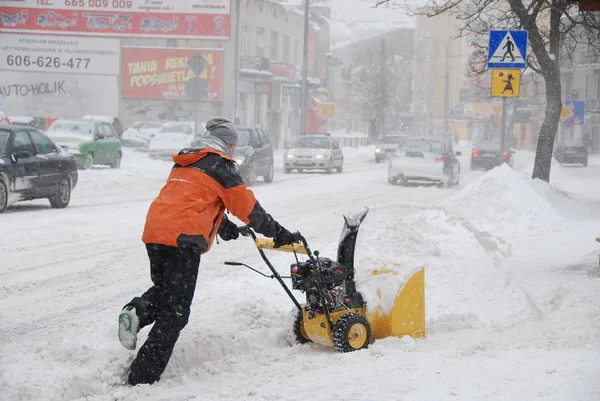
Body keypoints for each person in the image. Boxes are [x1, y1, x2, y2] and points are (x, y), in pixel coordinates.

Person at [117, 117, 297, 386]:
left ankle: (137, 312)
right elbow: (250, 210)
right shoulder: (221, 166)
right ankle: (142, 377)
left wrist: (226, 228)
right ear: (227, 143)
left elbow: (196, 201)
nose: (233, 150)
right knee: (176, 312)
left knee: (167, 292)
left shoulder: (187, 161)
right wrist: (280, 233)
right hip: (182, 239)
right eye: (233, 145)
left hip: (156, 232)